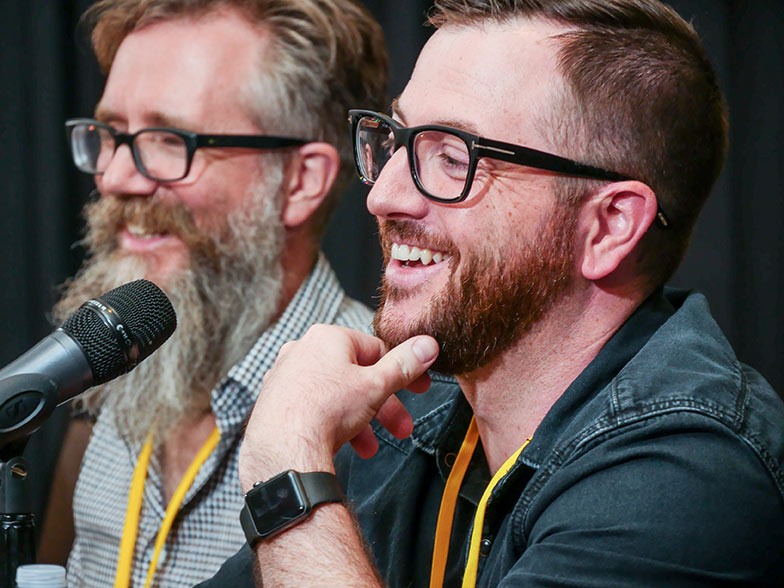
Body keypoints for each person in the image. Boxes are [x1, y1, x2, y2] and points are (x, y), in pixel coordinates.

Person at [199, 0, 784, 586]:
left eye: (453, 157)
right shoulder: (404, 420)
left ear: (608, 227)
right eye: (397, 140)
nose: (383, 197)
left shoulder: (690, 476)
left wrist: (288, 463)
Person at [40, 0, 387, 585]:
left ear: (300, 181)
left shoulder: (388, 422)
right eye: (111, 134)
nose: (113, 178)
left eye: (167, 139)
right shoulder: (113, 374)